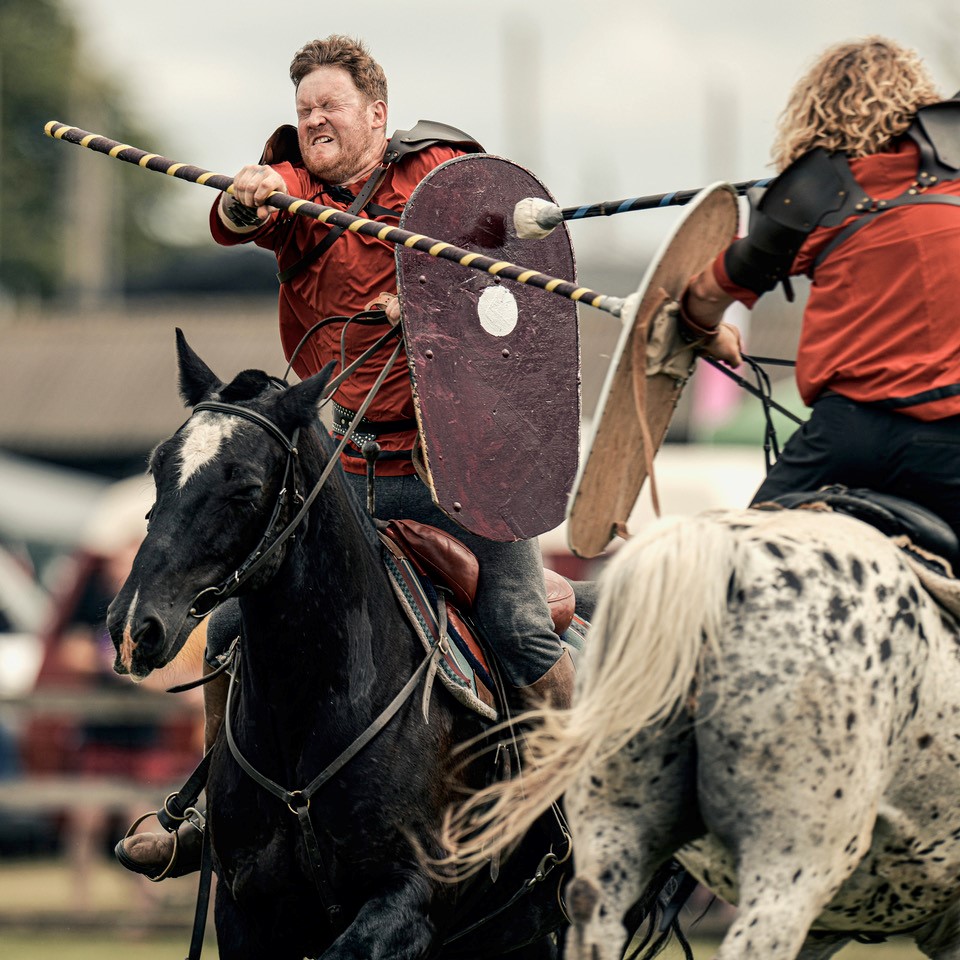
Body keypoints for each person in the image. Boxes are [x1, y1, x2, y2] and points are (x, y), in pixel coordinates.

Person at [117, 34, 573, 879]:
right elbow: (243, 211)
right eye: (303, 110)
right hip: (346, 473)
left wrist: (433, 294)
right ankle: (225, 817)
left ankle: (587, 803)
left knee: (516, 629)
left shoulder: (440, 172)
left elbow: (505, 270)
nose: (315, 119)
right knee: (229, 627)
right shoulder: (296, 189)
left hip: (461, 470)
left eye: (330, 105)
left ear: (378, 114)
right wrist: (249, 196)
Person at [679, 36, 960, 536]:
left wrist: (708, 333)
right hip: (949, 441)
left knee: (733, 572)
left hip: (846, 436)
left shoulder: (812, 200)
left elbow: (701, 297)